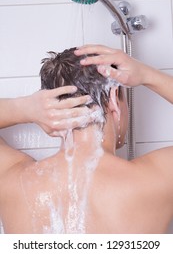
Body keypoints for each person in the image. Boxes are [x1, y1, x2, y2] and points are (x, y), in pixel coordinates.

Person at [0, 45, 173, 234]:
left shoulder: (12, 181)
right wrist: (148, 75)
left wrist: (22, 108)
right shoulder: (157, 177)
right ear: (115, 99)